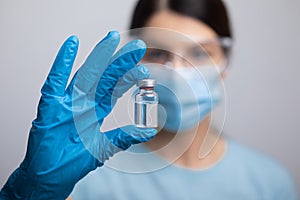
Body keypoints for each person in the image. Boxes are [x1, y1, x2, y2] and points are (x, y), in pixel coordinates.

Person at [0, 0, 297, 200]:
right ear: (138, 60)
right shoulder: (84, 180)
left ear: (226, 62)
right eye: (159, 54)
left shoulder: (269, 183)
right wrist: (29, 193)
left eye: (199, 53)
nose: (179, 72)